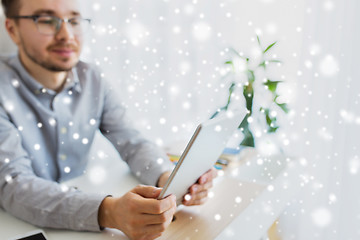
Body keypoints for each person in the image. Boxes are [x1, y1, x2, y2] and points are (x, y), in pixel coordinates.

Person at [0, 0, 217, 239]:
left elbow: (133, 142)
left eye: (74, 20)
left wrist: (167, 180)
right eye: (46, 21)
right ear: (12, 30)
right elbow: (13, 185)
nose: (66, 34)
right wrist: (109, 212)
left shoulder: (91, 78)